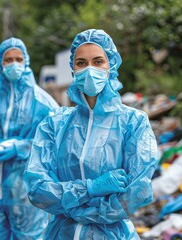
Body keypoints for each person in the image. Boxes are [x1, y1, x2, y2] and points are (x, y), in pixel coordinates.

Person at [23, 29, 159, 239]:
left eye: (97, 62)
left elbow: (136, 192)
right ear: (73, 68)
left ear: (111, 65)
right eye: (81, 63)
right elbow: (37, 188)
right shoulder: (54, 124)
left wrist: (72, 205)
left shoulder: (133, 123)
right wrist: (91, 188)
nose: (89, 70)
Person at [0, 37, 59, 239]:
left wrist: (21, 147)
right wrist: (0, 146)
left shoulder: (43, 102)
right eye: (8, 59)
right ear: (0, 62)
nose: (14, 64)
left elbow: (55, 142)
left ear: (26, 61)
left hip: (28, 191)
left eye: (18, 58)